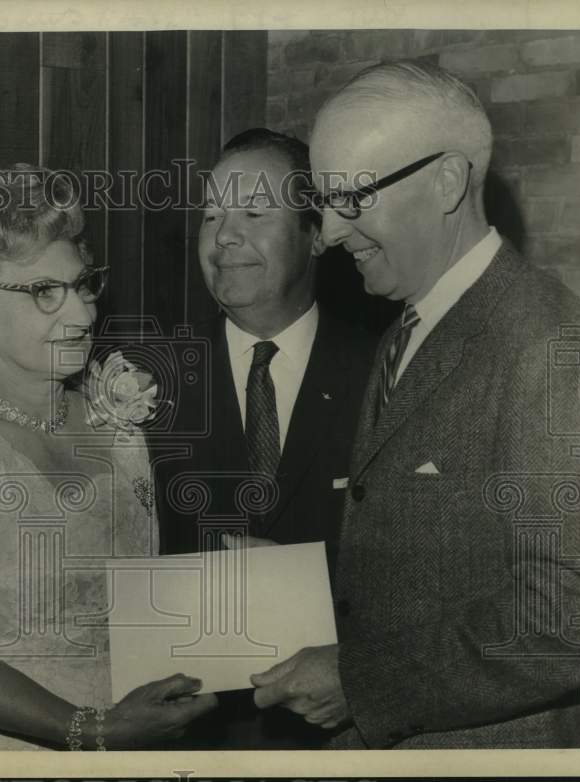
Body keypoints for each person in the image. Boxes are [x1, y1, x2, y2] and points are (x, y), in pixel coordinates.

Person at [251, 60, 580, 748]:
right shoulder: (407, 323)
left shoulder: (549, 342)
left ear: (448, 180)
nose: (336, 235)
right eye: (326, 205)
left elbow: (570, 613)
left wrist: (361, 681)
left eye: (354, 200)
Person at [0, 165, 217, 751]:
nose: (83, 314)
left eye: (82, 284)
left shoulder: (116, 418)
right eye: (45, 291)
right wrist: (93, 729)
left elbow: (130, 597)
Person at [150, 129, 377, 749]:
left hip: (342, 739)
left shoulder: (388, 375)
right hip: (184, 738)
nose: (224, 236)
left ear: (316, 233)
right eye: (212, 216)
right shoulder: (145, 379)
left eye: (253, 213)